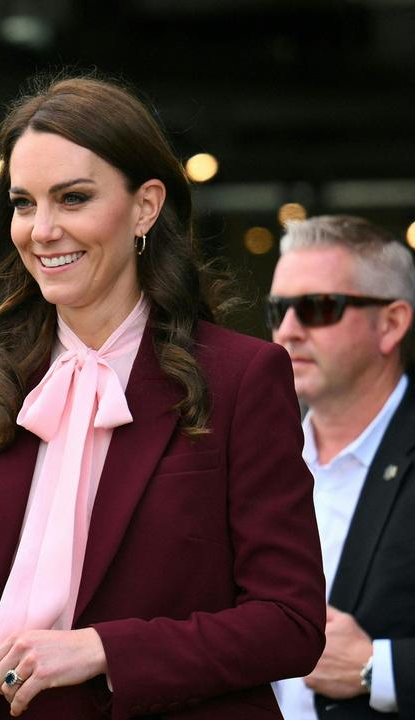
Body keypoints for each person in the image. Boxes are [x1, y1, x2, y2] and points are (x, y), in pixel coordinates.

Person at [0, 75, 326, 718]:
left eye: (73, 198)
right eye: (24, 203)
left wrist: (104, 649)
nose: (42, 230)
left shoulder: (244, 377)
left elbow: (290, 622)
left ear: (145, 206)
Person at [267, 215, 415, 719]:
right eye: (278, 309)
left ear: (391, 324)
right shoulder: (252, 458)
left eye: (317, 308)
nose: (288, 330)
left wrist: (382, 668)